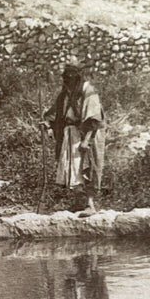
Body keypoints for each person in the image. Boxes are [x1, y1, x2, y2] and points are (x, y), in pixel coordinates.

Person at [42, 61, 106, 216]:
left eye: (71, 77)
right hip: (69, 134)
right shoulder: (65, 93)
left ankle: (90, 204)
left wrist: (86, 141)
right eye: (66, 77)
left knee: (88, 167)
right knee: (73, 169)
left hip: (86, 134)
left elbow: (94, 118)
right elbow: (58, 114)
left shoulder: (88, 91)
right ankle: (78, 202)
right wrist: (48, 123)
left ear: (77, 77)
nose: (67, 80)